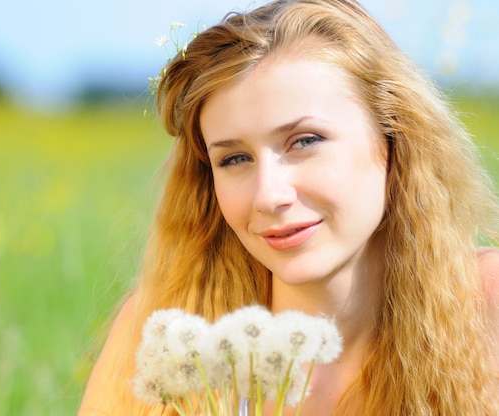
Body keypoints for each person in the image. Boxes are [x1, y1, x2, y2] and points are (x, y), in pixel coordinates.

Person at [79, 0, 499, 414]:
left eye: (304, 141)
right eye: (234, 159)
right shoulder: (168, 332)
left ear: (393, 139)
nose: (268, 195)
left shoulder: (488, 301)